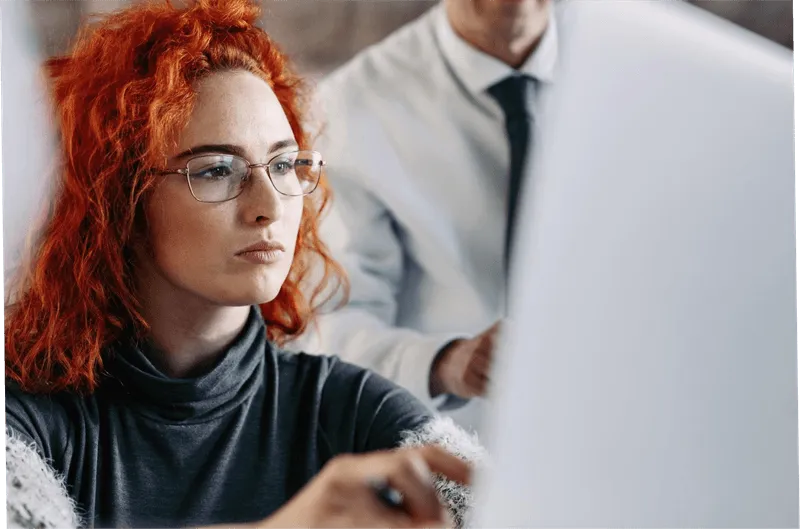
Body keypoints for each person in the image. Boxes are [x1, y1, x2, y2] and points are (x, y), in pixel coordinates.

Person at [2, 2, 484, 528]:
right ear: (117, 200)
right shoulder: (24, 417)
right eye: (216, 170)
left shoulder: (348, 407)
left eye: (282, 164)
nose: (270, 206)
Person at [291, 0, 558, 432]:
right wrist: (449, 364)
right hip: (458, 456)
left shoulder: (642, 74)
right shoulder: (349, 109)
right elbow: (327, 326)